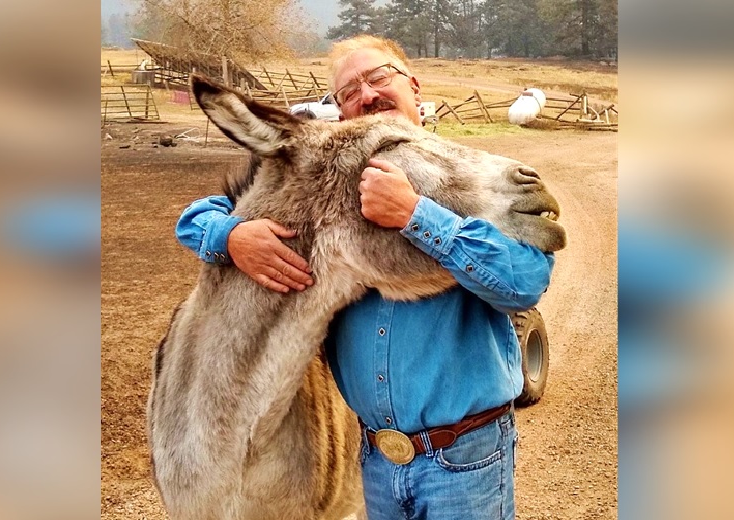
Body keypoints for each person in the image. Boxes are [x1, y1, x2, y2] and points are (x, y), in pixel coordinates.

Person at [176, 35, 554, 520]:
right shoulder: (331, 179)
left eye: (379, 77)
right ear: (341, 111)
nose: (368, 94)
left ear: (413, 86)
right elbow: (195, 217)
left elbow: (525, 280)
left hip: (465, 457)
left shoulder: (464, 178)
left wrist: (415, 214)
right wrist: (230, 237)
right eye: (349, 91)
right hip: (375, 458)